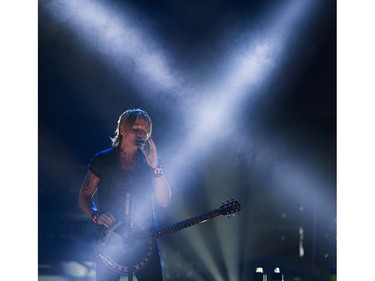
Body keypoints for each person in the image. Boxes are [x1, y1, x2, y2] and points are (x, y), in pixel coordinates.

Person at [78, 108, 171, 281]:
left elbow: (164, 201)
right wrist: (95, 215)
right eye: (136, 128)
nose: (140, 133)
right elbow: (84, 197)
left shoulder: (151, 162)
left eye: (144, 130)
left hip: (145, 239)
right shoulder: (103, 160)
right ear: (122, 129)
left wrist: (156, 168)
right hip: (110, 239)